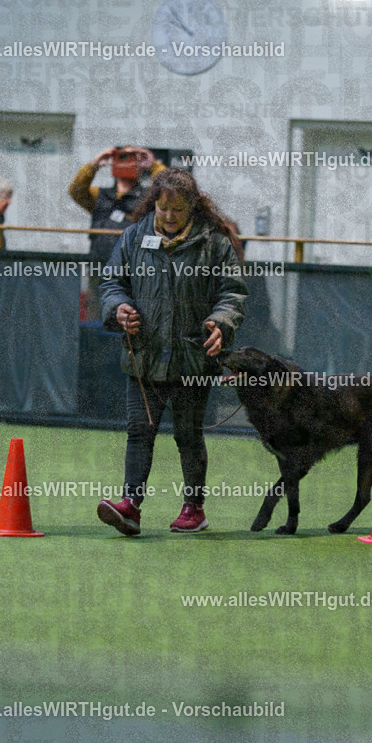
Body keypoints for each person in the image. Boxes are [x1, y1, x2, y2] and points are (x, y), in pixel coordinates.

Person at [96, 168, 248, 535]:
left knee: (188, 435)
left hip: (192, 359)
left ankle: (194, 509)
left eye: (177, 209)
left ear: (192, 206)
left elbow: (232, 292)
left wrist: (220, 322)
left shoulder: (215, 242)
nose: (168, 216)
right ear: (155, 203)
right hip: (144, 355)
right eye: (163, 208)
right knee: (139, 431)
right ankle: (130, 505)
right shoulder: (134, 236)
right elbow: (113, 282)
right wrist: (118, 308)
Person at [68, 145, 167, 319]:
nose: (126, 162)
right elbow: (76, 191)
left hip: (134, 270)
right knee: (97, 316)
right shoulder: (100, 194)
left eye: (132, 158)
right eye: (122, 157)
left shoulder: (147, 197)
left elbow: (168, 190)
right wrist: (95, 164)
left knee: (131, 316)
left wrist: (153, 165)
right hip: (100, 266)